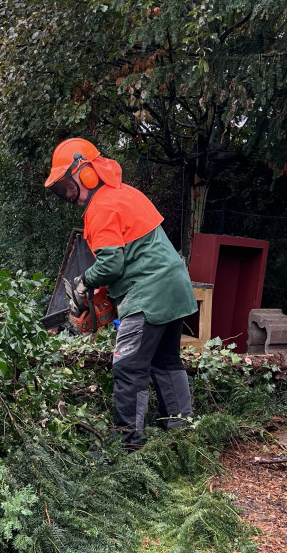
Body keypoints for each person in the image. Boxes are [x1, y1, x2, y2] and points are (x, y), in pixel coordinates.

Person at [44, 138, 197, 448]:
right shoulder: (125, 194)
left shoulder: (101, 206)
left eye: (66, 183)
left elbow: (112, 263)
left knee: (128, 366)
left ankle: (127, 447)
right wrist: (106, 292)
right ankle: (182, 434)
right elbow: (132, 256)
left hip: (149, 294)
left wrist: (85, 281)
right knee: (166, 360)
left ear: (85, 172)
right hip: (174, 287)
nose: (67, 193)